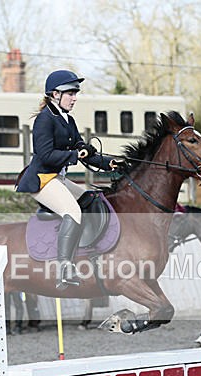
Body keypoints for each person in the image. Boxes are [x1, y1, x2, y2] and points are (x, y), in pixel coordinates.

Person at [15, 70, 122, 289]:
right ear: (55, 94)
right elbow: (45, 155)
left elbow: (83, 150)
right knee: (73, 212)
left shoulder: (67, 119)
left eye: (75, 93)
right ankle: (64, 269)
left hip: (58, 179)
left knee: (91, 200)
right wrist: (74, 155)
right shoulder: (44, 120)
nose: (74, 98)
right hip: (42, 180)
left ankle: (88, 252)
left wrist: (108, 164)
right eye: (70, 93)